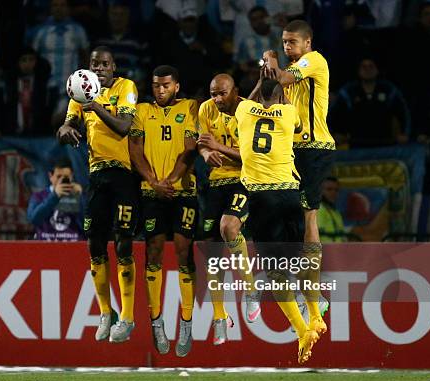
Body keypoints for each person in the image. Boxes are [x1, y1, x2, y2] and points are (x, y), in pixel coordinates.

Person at [57, 46, 139, 343]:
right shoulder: (81, 91)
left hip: (124, 176)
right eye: (95, 64)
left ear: (113, 67)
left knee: (123, 242)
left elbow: (123, 128)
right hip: (97, 175)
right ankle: (107, 312)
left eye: (105, 63)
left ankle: (128, 316)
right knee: (93, 242)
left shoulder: (125, 87)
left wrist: (97, 107)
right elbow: (67, 125)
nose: (100, 68)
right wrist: (65, 129)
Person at [236, 77, 319, 364]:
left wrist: (258, 84)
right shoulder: (288, 113)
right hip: (289, 194)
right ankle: (316, 311)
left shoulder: (245, 110)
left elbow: (249, 99)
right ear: (282, 97)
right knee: (298, 261)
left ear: (258, 95)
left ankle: (302, 331)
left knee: (275, 273)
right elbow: (293, 121)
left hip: (262, 198)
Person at [262, 20, 332, 337]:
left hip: (315, 148)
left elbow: (283, 76)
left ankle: (314, 298)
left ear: (307, 42)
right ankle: (304, 289)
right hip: (293, 149)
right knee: (289, 216)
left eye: (292, 42)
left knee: (308, 216)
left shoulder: (314, 61)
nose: (288, 47)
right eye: (284, 42)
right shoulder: (293, 69)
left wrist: (271, 59)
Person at [128, 65, 198, 357]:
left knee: (184, 252)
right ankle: (157, 322)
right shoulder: (142, 111)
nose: (160, 90)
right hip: (151, 192)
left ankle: (187, 322)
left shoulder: (191, 107)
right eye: (156, 86)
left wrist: (169, 180)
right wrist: (153, 182)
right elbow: (134, 149)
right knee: (153, 252)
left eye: (166, 86)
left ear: (176, 87)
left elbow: (190, 149)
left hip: (183, 191)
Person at [196, 73, 260, 346]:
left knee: (228, 227)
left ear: (236, 92)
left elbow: (251, 156)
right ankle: (220, 316)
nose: (217, 99)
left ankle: (250, 290)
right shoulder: (206, 110)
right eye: (213, 93)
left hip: (244, 180)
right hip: (216, 183)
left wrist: (218, 147)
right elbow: (202, 143)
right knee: (211, 251)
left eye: (222, 93)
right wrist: (206, 154)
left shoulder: (248, 112)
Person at [331, 58, 410, 147]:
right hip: (355, 145)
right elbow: (333, 115)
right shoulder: (348, 91)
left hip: (385, 145)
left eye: (371, 66)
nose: (367, 70)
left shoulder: (389, 90)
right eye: (364, 67)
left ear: (377, 70)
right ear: (358, 70)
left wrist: (405, 134)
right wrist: (334, 133)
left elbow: (404, 113)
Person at [27, 158, 84, 241]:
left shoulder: (79, 194)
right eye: (58, 176)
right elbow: (33, 219)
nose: (61, 180)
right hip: (46, 246)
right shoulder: (39, 196)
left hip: (73, 247)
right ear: (50, 176)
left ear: (72, 176)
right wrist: (55, 196)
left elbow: (90, 224)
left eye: (66, 177)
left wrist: (81, 197)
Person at [0, 47, 52, 135]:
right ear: (18, 62)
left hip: (38, 134)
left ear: (36, 61)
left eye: (31, 60)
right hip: (13, 133)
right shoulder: (10, 85)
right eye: (23, 60)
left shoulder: (43, 85)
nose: (27, 64)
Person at [317, 176, 346, 243]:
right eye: (329, 189)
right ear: (320, 191)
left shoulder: (336, 212)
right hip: (325, 251)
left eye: (336, 190)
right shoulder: (318, 210)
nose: (333, 193)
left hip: (337, 250)